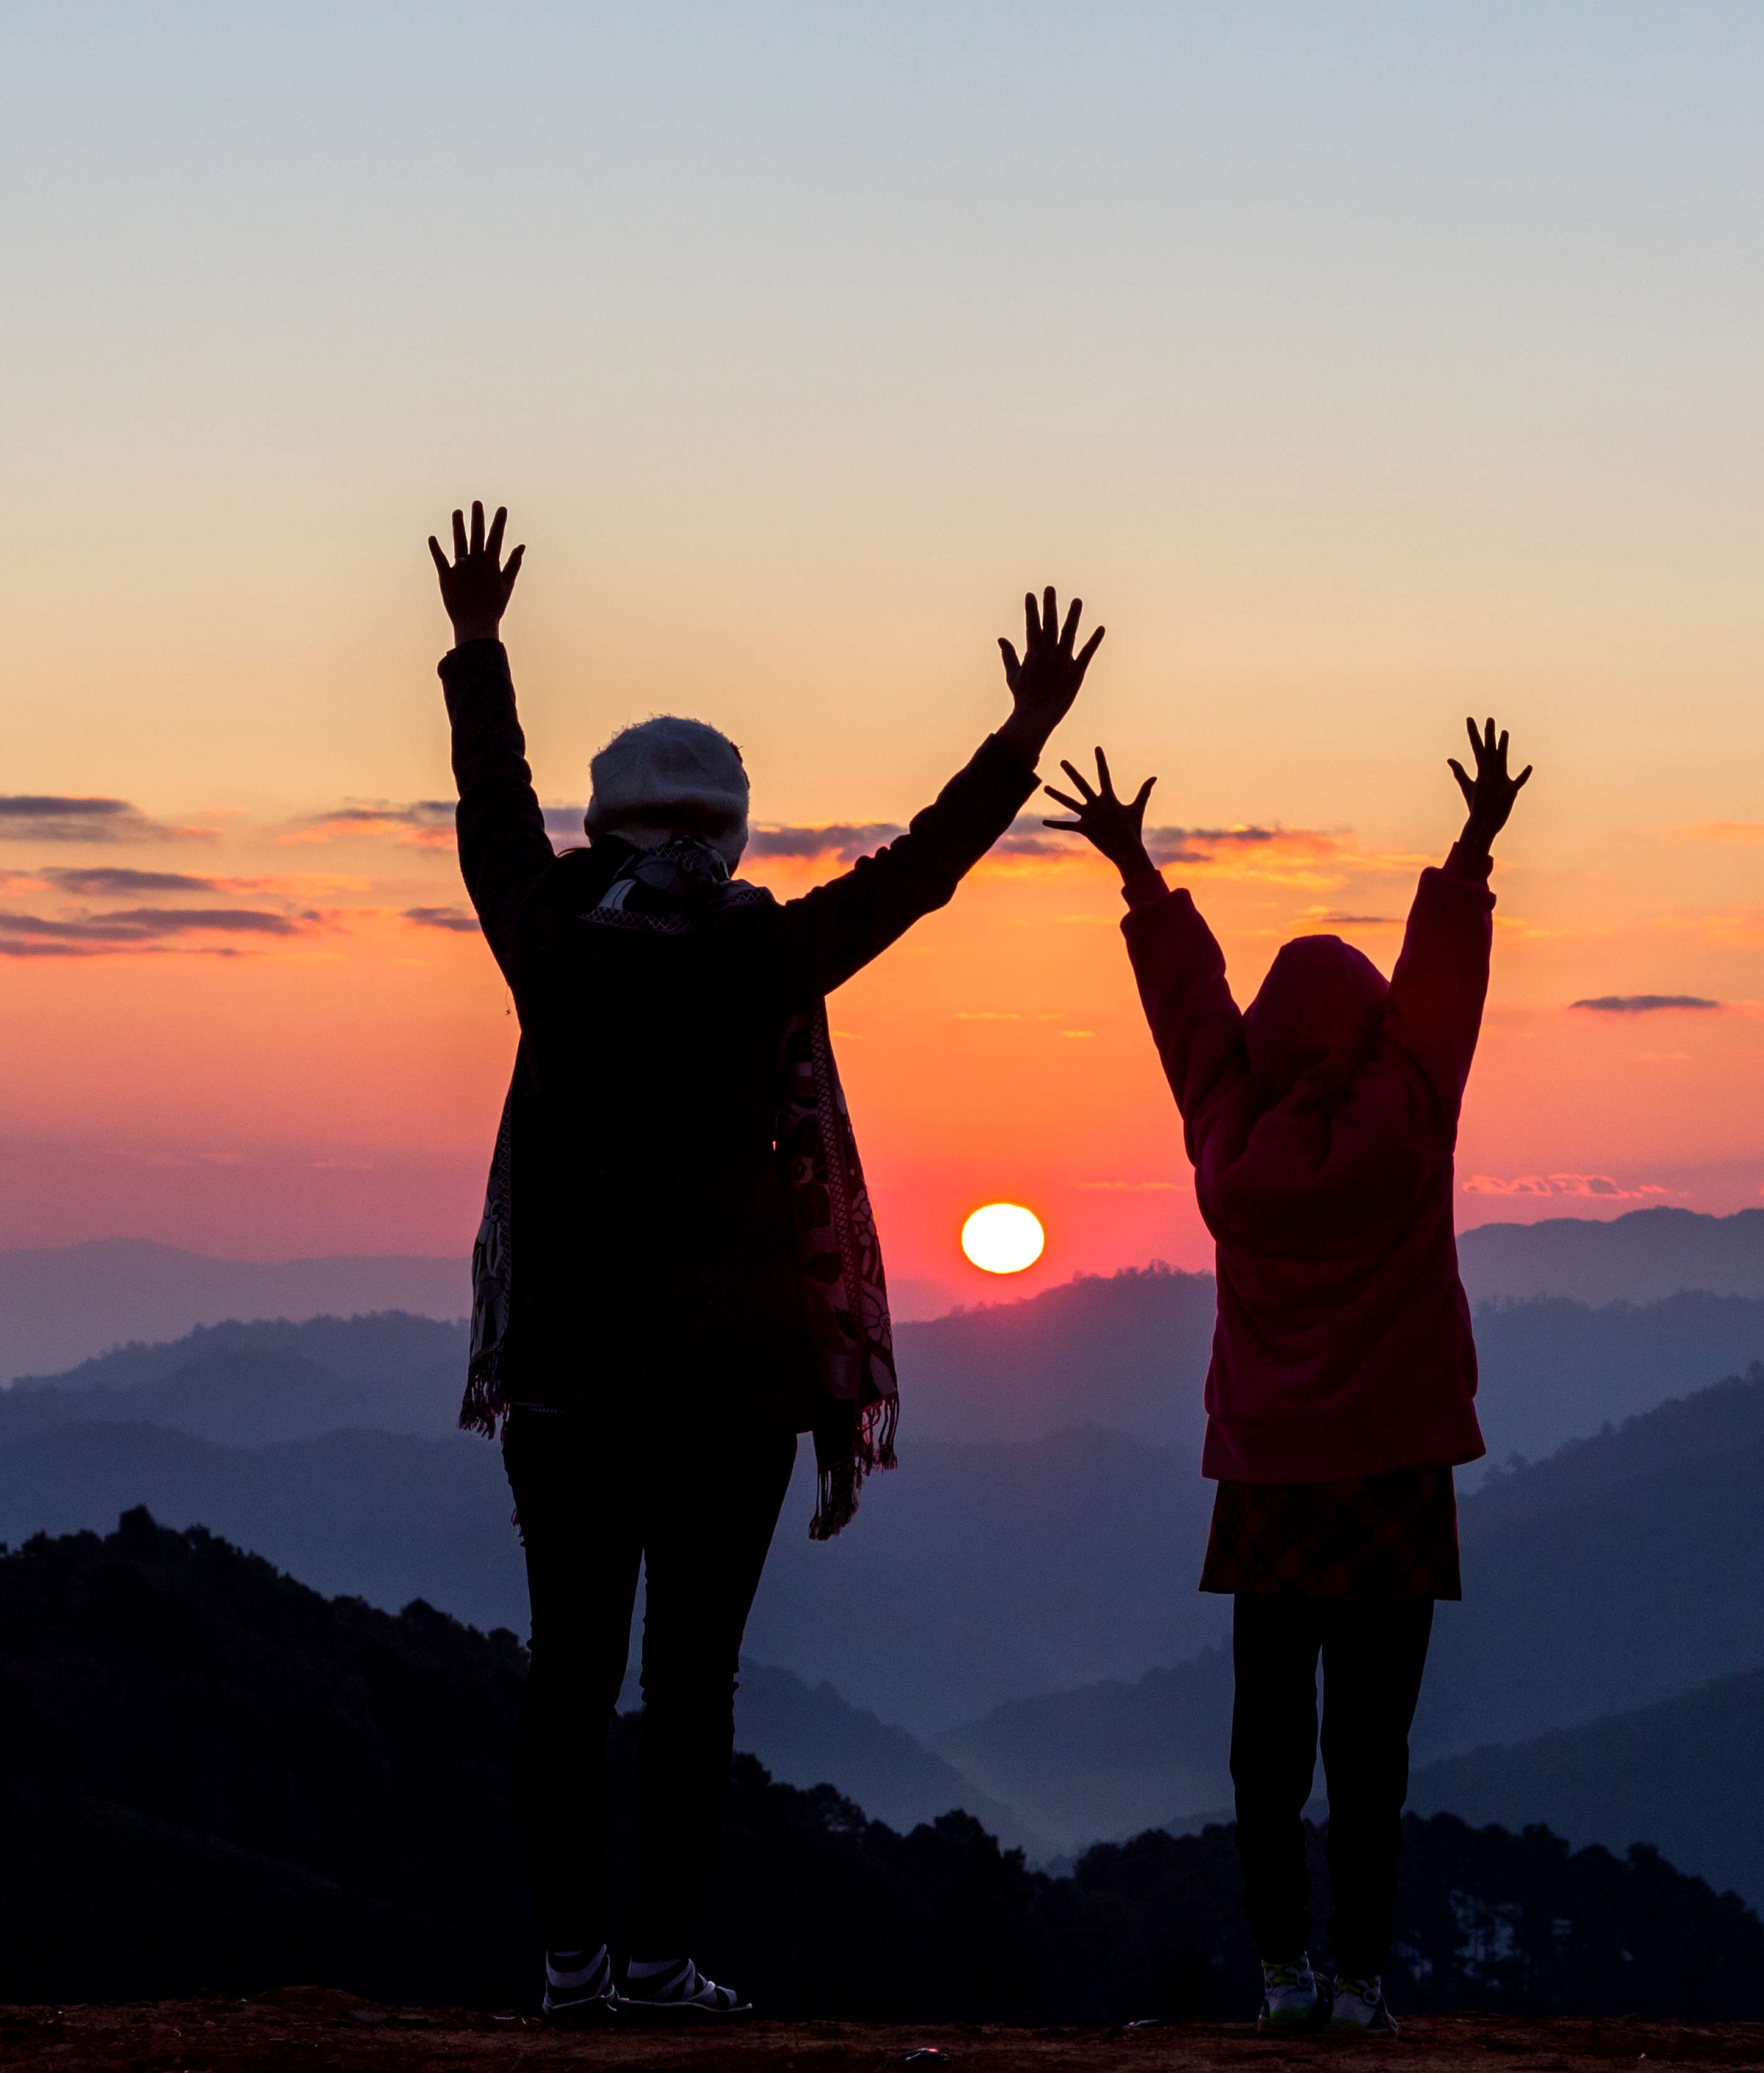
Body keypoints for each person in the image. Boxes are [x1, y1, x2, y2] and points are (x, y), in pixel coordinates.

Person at [426, 501, 1100, 2019]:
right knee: (691, 1686)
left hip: (565, 1387)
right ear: (730, 835)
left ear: (605, 834)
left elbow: (489, 806)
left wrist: (478, 650)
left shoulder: (549, 938)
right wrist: (1022, 734)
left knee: (569, 1672)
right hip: (732, 1395)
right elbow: (917, 874)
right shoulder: (762, 955)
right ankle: (657, 1962)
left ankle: (569, 1966)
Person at [1045, 718, 1530, 2035]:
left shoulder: (1228, 1129)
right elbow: (1442, 988)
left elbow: (1190, 1014)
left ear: (1268, 1036)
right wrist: (1472, 849)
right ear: (1368, 1028)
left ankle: (1279, 1975)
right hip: (1395, 1470)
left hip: (1269, 1477)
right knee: (1372, 1747)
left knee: (1269, 1740)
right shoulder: (1412, 1111)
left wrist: (1141, 877)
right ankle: (1363, 1982)